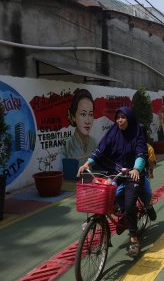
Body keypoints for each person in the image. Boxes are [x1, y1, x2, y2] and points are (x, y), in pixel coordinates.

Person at [77, 107, 156, 257]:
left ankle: (134, 240)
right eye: (118, 117)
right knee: (105, 193)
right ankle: (117, 218)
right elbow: (101, 148)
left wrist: (137, 169)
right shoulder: (113, 132)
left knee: (130, 204)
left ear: (130, 119)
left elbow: (141, 152)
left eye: (123, 117)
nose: (120, 120)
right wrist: (88, 163)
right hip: (116, 172)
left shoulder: (137, 133)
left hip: (134, 173)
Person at [62, 88, 97, 161]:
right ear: (73, 116)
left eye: (90, 114)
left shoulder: (95, 143)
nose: (87, 121)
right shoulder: (66, 146)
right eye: (83, 114)